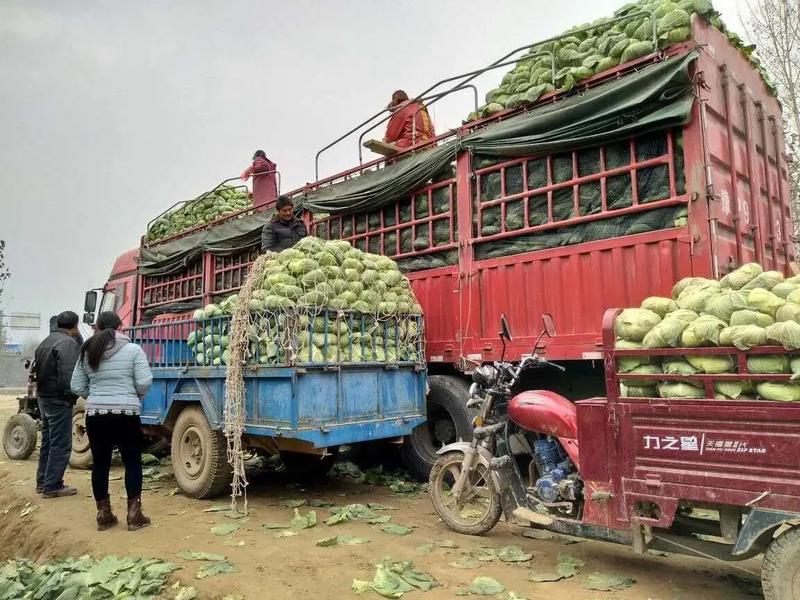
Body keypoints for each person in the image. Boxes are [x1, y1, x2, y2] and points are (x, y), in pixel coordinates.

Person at [70, 311, 153, 531]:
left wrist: (97, 396)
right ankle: (134, 515)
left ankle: (104, 514)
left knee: (100, 463)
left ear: (97, 327)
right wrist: (132, 394)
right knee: (132, 461)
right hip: (127, 414)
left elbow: (76, 386)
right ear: (119, 328)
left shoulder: (87, 351)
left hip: (96, 416)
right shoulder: (134, 350)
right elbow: (144, 382)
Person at [34, 311, 81, 498]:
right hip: (58, 400)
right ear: (75, 326)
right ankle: (52, 485)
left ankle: (43, 481)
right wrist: (71, 397)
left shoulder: (46, 341)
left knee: (47, 441)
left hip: (44, 398)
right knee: (60, 444)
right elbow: (67, 375)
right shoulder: (67, 343)